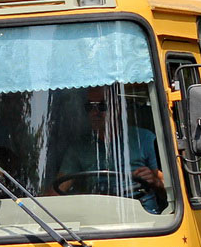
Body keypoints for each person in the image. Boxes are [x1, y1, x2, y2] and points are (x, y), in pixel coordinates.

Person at [54, 85, 166, 213]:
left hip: (144, 216)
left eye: (102, 106)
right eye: (90, 107)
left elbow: (172, 188)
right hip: (99, 219)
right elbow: (57, 190)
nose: (95, 112)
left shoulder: (145, 139)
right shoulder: (79, 148)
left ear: (117, 108)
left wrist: (154, 180)